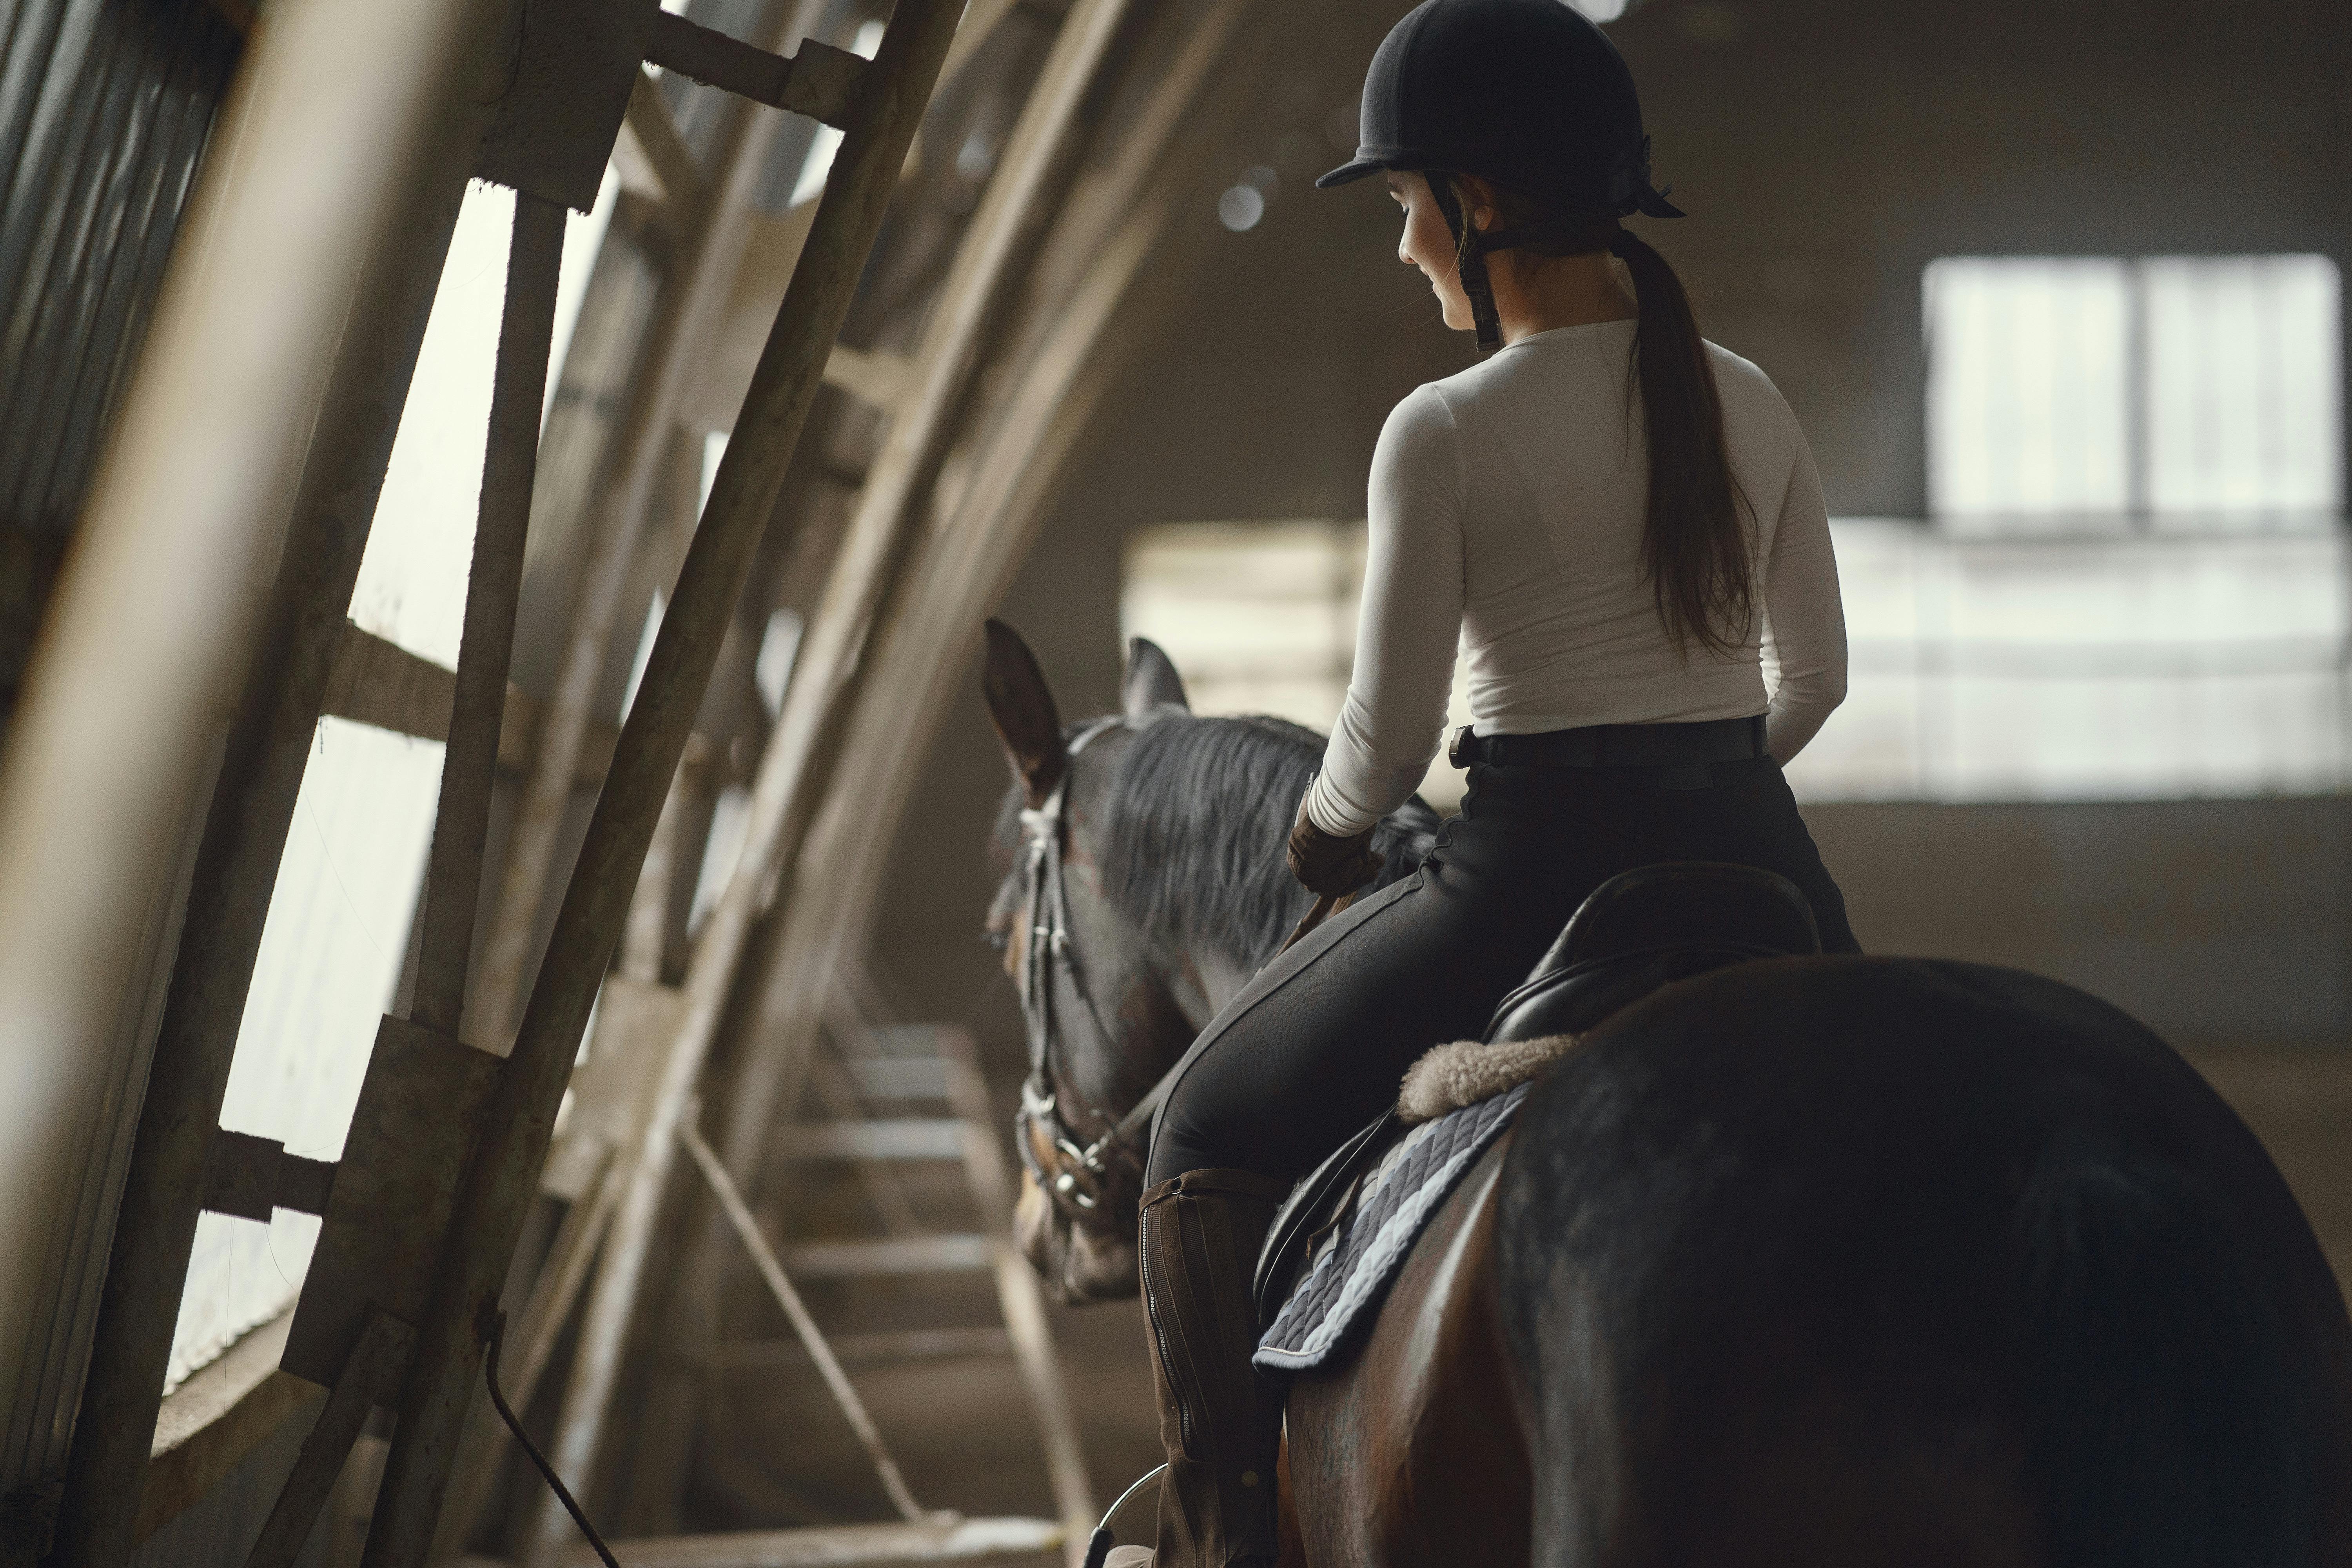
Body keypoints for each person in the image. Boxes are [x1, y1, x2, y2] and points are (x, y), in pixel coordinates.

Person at [1116, 2, 1857, 1564]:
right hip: (1763, 857)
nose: (1403, 251)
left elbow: (1381, 747)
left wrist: (1322, 841)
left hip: (1522, 868)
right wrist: (1702, 774)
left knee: (1193, 1130)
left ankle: (1225, 1524)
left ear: (1485, 206)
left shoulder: (1439, 430)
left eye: (1405, 209)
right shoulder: (1755, 396)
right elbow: (1819, 685)